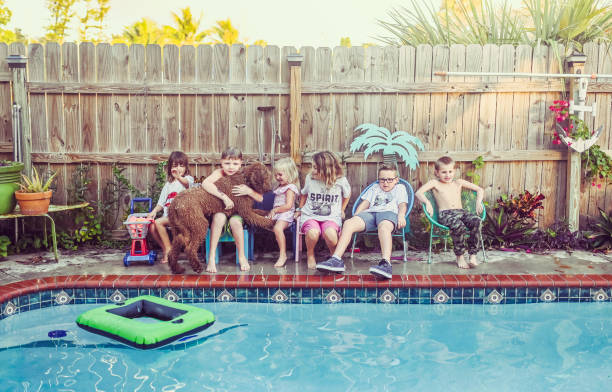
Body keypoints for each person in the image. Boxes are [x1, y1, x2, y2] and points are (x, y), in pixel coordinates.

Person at [316, 165, 408, 279]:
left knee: (384, 227)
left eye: (390, 179)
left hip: (388, 214)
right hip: (370, 214)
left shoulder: (400, 188)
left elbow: (402, 205)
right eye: (382, 179)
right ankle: (336, 259)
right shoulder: (374, 188)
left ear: (396, 180)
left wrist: (401, 216)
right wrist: (356, 216)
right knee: (349, 223)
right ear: (378, 179)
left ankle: (386, 264)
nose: (386, 183)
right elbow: (365, 203)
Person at [415, 155, 484, 269]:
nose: (447, 175)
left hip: (461, 212)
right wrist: (427, 202)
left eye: (450, 171)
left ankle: (472, 255)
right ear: (437, 172)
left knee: (477, 221)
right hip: (446, 214)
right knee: (458, 226)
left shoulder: (458, 182)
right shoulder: (435, 183)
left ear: (454, 171)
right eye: (444, 172)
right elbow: (419, 193)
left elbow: (480, 189)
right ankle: (460, 256)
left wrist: (478, 202)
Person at [202, 147, 263, 273]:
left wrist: (249, 191)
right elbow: (205, 183)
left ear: (241, 163)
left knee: (235, 222)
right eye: (227, 163)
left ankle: (241, 256)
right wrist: (224, 197)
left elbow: (260, 198)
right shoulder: (219, 173)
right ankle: (212, 257)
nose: (231, 167)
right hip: (222, 209)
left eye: (235, 164)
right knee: (219, 217)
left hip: (238, 213)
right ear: (221, 162)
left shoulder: (245, 176)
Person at [296, 151, 351, 269]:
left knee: (330, 234)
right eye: (313, 167)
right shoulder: (310, 178)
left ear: (327, 169)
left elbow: (347, 195)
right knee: (313, 233)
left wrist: (342, 209)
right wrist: (300, 209)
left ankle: (334, 255)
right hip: (310, 215)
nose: (313, 171)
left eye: (316, 168)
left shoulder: (341, 181)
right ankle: (310, 254)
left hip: (331, 217)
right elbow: (304, 194)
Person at [147, 151, 194, 264]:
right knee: (152, 226)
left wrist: (178, 177)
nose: (178, 169)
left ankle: (169, 250)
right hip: (168, 217)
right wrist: (153, 211)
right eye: (175, 166)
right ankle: (166, 250)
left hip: (182, 217)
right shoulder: (168, 185)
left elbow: (187, 184)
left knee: (158, 223)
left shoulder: (188, 179)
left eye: (181, 166)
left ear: (186, 167)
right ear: (170, 168)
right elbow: (161, 203)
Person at [267, 158, 300, 268]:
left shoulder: (290, 188)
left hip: (286, 214)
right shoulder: (280, 187)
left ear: (290, 174)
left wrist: (275, 210)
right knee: (265, 222)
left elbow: (288, 206)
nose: (277, 177)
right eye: (276, 175)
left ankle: (283, 255)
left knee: (277, 229)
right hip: (278, 213)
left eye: (280, 175)